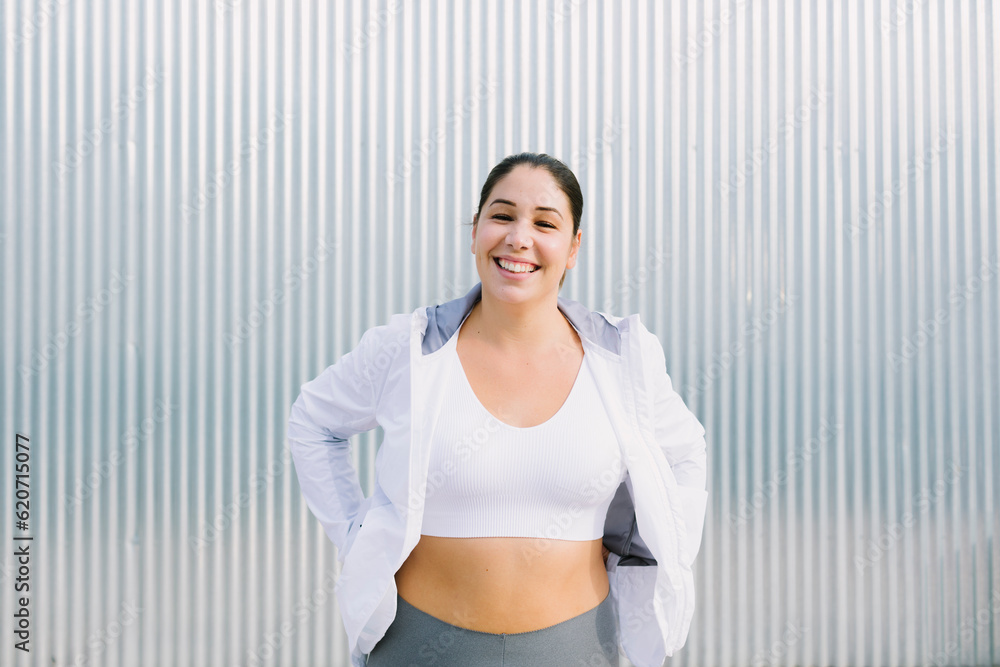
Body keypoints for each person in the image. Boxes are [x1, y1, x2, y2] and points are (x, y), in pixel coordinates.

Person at [287, 152, 709, 667]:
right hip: (419, 646)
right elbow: (314, 421)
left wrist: (640, 549)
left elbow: (686, 453)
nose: (519, 238)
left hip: (576, 648)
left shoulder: (624, 360)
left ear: (573, 247)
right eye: (503, 216)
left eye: (545, 223)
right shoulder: (407, 348)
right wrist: (356, 534)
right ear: (475, 232)